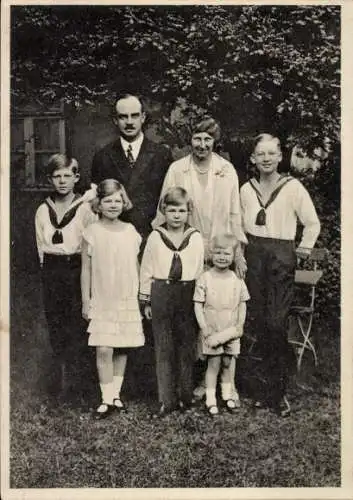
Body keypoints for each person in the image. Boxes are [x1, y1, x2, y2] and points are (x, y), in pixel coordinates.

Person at [152, 116, 247, 400]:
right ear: (189, 140)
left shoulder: (226, 170)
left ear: (215, 142)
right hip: (189, 248)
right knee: (195, 313)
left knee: (225, 310)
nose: (202, 144)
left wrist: (238, 252)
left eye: (208, 139)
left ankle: (227, 381)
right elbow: (164, 208)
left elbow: (234, 213)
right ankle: (199, 379)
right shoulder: (177, 169)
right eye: (197, 138)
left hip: (221, 251)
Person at [240, 133, 321, 417]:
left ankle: (279, 392)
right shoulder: (246, 190)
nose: (266, 159)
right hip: (254, 257)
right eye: (260, 154)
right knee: (259, 324)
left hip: (281, 256)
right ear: (253, 158)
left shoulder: (293, 187)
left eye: (271, 154)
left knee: (276, 323)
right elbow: (238, 226)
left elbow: (311, 223)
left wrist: (303, 249)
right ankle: (264, 393)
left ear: (279, 157)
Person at [81, 179, 144, 419]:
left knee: (121, 346)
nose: (113, 205)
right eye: (108, 201)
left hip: (126, 296)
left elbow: (136, 265)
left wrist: (141, 294)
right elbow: (85, 269)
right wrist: (86, 300)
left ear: (124, 202)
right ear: (99, 203)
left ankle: (116, 395)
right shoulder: (92, 232)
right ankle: (106, 398)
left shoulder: (130, 231)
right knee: (104, 347)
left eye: (118, 200)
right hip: (103, 297)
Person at [35, 154, 96, 401]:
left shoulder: (84, 209)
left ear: (76, 178)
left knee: (78, 325)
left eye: (67, 176)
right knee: (57, 324)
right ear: (50, 179)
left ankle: (80, 385)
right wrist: (48, 273)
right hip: (52, 270)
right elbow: (40, 246)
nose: (62, 181)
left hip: (76, 269)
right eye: (57, 176)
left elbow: (90, 244)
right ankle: (61, 385)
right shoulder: (42, 210)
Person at [139, 187, 204, 417]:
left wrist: (200, 300)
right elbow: (146, 269)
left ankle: (186, 396)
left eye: (181, 210)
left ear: (188, 212)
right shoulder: (156, 237)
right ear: (163, 211)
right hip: (161, 292)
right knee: (164, 347)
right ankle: (167, 399)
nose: (177, 215)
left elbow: (199, 270)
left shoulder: (195, 238)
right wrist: (146, 300)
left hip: (187, 293)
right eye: (172, 210)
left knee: (186, 347)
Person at [91, 93, 173, 241]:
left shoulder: (162, 155)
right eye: (123, 117)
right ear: (115, 120)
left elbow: (170, 200)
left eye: (134, 116)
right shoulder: (102, 156)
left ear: (143, 117)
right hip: (113, 237)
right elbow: (96, 203)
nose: (129, 122)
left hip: (151, 237)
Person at [194, 234, 249, 416]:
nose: (222, 257)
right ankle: (211, 398)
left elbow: (242, 303)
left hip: (231, 329)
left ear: (233, 256)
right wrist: (204, 328)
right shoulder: (205, 278)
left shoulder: (237, 279)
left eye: (226, 254)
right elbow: (198, 304)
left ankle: (227, 395)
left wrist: (240, 324)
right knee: (214, 363)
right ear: (211, 254)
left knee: (227, 362)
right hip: (213, 329)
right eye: (217, 253)